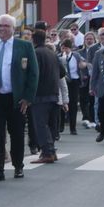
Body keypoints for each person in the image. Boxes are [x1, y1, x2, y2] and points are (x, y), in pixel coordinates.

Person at [0, 14, 38, 181]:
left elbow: (33, 74)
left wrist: (28, 98)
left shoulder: (24, 46)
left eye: (6, 26)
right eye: (0, 26)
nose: (2, 29)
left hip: (16, 98)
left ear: (13, 29)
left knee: (17, 134)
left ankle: (18, 166)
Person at [28, 30, 64, 164]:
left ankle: (47, 152)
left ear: (33, 39)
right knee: (50, 125)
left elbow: (33, 74)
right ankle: (51, 151)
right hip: (54, 93)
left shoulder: (35, 53)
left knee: (41, 125)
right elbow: (62, 72)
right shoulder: (52, 53)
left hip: (40, 95)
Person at [59, 38, 87, 134]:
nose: (64, 50)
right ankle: (61, 125)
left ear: (70, 48)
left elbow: (83, 63)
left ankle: (73, 127)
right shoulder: (59, 57)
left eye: (66, 48)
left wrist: (82, 65)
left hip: (74, 81)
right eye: (63, 48)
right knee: (62, 103)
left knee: (73, 104)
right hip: (63, 81)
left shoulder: (76, 55)